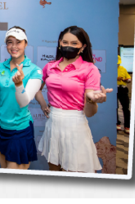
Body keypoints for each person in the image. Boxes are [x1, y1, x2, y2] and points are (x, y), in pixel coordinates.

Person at [37, 26, 113, 173]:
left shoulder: (90, 69)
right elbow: (37, 90)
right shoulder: (50, 66)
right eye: (65, 42)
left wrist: (92, 99)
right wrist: (43, 105)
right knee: (53, 171)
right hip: (53, 124)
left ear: (83, 47)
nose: (68, 46)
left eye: (74, 43)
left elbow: (90, 113)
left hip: (75, 126)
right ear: (59, 43)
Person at [0, 26, 42, 169]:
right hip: (1, 127)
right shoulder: (0, 67)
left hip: (20, 130)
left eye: (18, 42)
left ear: (26, 44)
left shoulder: (35, 70)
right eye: (10, 42)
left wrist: (18, 85)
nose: (14, 46)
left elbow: (24, 102)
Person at [117, 55, 132, 134]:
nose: (117, 65)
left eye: (118, 63)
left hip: (123, 89)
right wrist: (116, 78)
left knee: (126, 108)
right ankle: (117, 123)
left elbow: (129, 78)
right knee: (115, 107)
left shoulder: (123, 69)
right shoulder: (110, 69)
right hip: (114, 89)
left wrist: (127, 80)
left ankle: (127, 126)